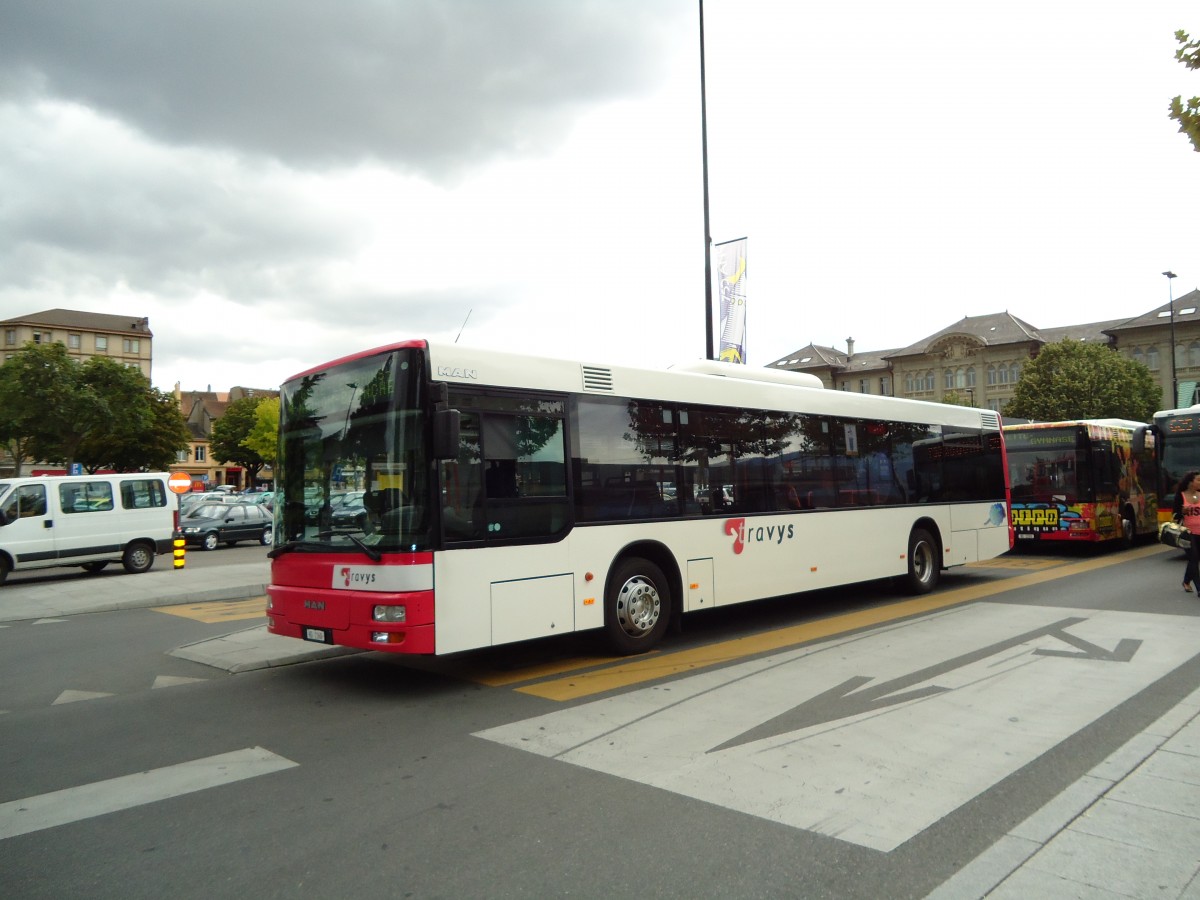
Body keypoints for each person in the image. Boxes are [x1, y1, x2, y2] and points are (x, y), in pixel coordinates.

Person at [1173, 471, 1200, 592]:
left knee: (1195, 559)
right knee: (1194, 557)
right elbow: (1175, 515)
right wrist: (1182, 512)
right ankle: (1199, 588)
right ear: (1190, 482)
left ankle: (1186, 581)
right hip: (1188, 533)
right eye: (1198, 480)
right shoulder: (1181, 496)